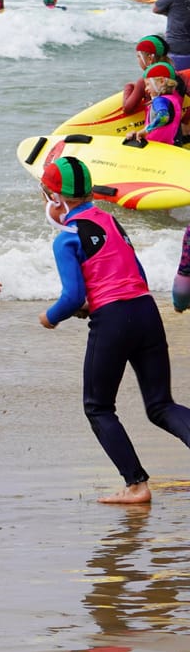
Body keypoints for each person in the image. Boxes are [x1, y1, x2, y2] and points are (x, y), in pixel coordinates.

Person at [40, 157, 190, 504]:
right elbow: (135, 271)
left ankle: (136, 485)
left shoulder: (66, 238)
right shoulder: (111, 221)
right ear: (90, 192)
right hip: (146, 310)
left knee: (98, 407)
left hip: (113, 322)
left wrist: (50, 317)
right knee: (161, 405)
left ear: (55, 197)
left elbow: (74, 295)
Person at [122, 62, 184, 146]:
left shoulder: (159, 101)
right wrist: (138, 133)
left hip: (156, 148)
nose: (146, 89)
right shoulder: (174, 100)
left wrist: (146, 130)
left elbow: (163, 117)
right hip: (169, 146)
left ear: (162, 81)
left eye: (148, 84)